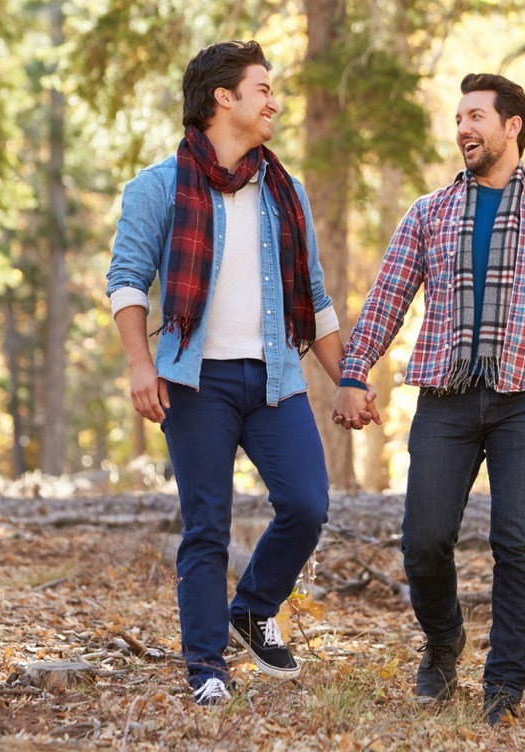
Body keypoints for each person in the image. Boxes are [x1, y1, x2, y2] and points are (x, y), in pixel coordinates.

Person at [332, 73, 525, 726]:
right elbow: (387, 298)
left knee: (518, 543)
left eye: (476, 116)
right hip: (447, 400)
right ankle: (443, 641)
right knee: (424, 541)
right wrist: (354, 371)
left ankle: (503, 688)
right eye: (459, 117)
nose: (463, 128)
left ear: (512, 126)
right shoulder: (428, 212)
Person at [106, 40, 374, 707]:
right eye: (262, 89)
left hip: (274, 378)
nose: (273, 101)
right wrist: (142, 366)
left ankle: (253, 608)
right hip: (196, 383)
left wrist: (350, 377)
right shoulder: (158, 187)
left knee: (308, 504)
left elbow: (313, 294)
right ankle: (207, 670)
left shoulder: (284, 191)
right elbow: (127, 282)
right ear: (223, 98)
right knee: (207, 525)